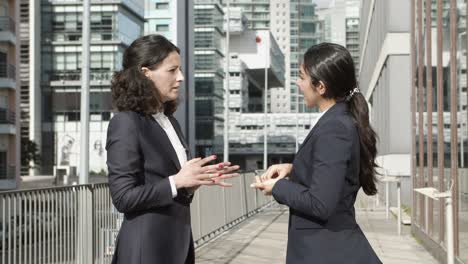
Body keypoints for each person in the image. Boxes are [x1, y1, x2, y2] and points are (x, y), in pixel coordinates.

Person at [106, 34, 239, 264]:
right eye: (172, 70)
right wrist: (177, 181)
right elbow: (123, 198)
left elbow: (174, 186)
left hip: (177, 245)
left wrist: (195, 179)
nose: (181, 77)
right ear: (145, 73)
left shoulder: (170, 122)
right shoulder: (126, 123)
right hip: (146, 250)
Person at [252, 43, 382, 264]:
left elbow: (320, 203)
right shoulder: (338, 121)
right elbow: (333, 174)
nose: (297, 83)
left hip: (326, 250)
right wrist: (292, 170)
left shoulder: (335, 128)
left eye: (301, 77)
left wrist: (278, 187)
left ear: (320, 86)